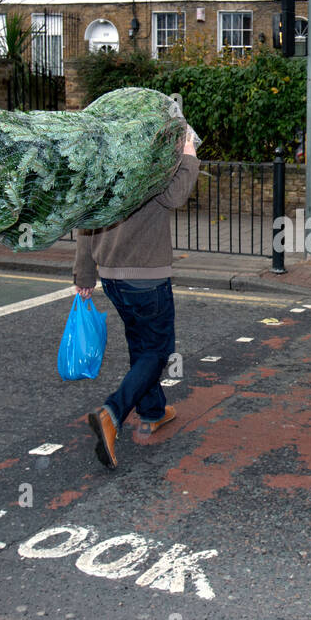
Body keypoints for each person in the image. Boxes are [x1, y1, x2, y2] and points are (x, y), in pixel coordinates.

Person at [76, 133, 199, 469]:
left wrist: (84, 274)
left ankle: (152, 411)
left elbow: (86, 225)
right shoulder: (151, 168)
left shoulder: (105, 170)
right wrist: (187, 151)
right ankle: (112, 412)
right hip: (147, 278)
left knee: (140, 343)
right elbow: (177, 195)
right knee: (157, 352)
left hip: (112, 276)